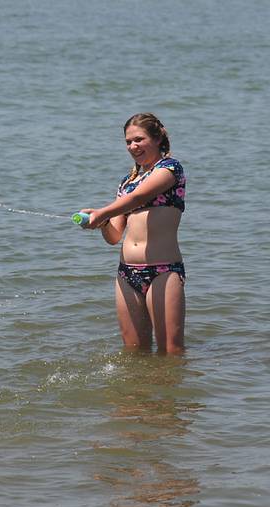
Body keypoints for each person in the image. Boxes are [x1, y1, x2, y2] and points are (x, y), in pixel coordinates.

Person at [81, 113, 186, 354]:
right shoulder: (127, 181)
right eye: (128, 142)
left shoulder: (170, 169)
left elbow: (139, 197)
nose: (133, 146)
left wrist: (102, 211)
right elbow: (115, 236)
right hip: (127, 274)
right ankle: (138, 393)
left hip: (163, 271)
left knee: (171, 352)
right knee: (134, 353)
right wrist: (102, 222)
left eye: (139, 139)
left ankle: (170, 393)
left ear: (158, 138)